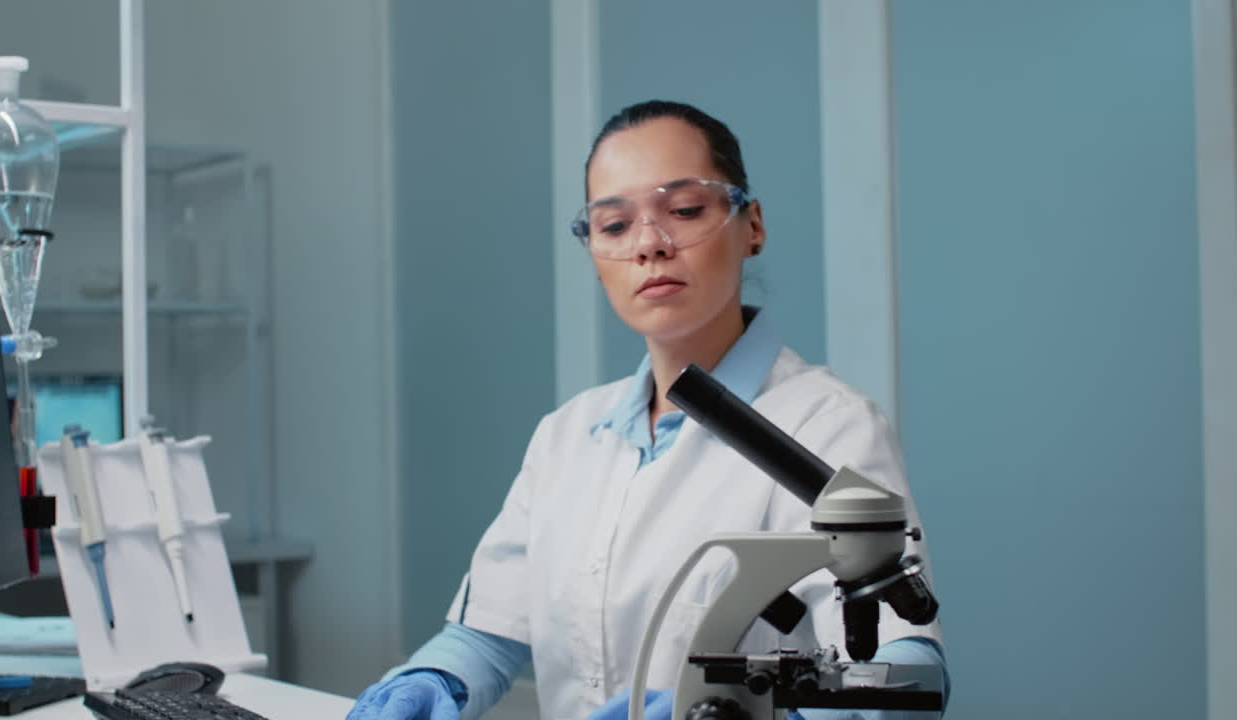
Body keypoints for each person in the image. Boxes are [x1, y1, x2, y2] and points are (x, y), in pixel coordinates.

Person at [347, 100, 949, 720]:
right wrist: (433, 681)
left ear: (753, 226)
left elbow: (900, 678)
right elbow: (488, 634)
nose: (649, 245)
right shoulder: (568, 436)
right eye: (614, 225)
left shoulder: (830, 426)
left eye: (685, 211)